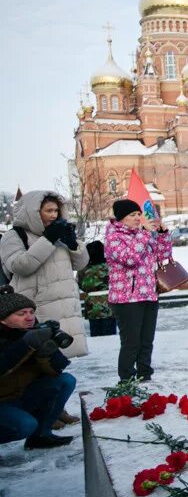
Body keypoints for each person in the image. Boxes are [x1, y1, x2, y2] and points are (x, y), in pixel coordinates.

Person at [0, 190, 89, 357]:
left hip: (65, 307)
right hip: (35, 306)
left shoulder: (59, 231)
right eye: (49, 211)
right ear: (33, 213)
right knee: (38, 358)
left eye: (56, 211)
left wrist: (72, 244)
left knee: (62, 357)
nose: (54, 215)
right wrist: (47, 240)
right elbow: (20, 266)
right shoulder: (14, 236)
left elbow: (80, 264)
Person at [104, 198, 172, 382]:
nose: (137, 218)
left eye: (138, 214)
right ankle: (126, 378)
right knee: (131, 343)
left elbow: (163, 256)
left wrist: (163, 235)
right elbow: (130, 258)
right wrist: (144, 235)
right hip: (126, 299)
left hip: (149, 294)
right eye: (132, 215)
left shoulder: (142, 235)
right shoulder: (113, 237)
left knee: (146, 342)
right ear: (121, 218)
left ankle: (145, 375)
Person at [0, 287, 76, 449]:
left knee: (65, 381)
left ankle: (41, 435)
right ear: (2, 320)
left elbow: (56, 371)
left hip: (18, 397)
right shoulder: (24, 338)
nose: (29, 318)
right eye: (21, 314)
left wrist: (47, 353)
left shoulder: (31, 334)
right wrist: (25, 345)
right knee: (25, 425)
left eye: (31, 312)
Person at [78, 241, 116, 336]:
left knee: (95, 335)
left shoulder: (84, 269)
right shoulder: (111, 266)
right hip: (109, 305)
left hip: (92, 307)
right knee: (110, 337)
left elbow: (80, 285)